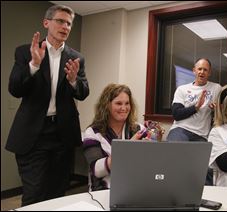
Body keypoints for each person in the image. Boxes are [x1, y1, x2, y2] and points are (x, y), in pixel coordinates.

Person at [5, 5, 89, 206]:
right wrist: (33, 66)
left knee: (58, 192)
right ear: (46, 23)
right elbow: (15, 89)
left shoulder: (76, 57)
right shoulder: (26, 52)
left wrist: (73, 81)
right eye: (60, 21)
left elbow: (84, 92)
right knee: (35, 194)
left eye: (69, 23)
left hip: (63, 134)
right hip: (34, 134)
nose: (65, 27)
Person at [166, 58, 221, 185]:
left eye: (205, 70)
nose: (202, 72)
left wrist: (215, 110)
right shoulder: (182, 89)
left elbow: (222, 112)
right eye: (199, 69)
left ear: (209, 73)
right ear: (194, 71)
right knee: (175, 159)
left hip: (201, 135)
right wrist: (195, 107)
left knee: (206, 168)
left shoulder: (215, 88)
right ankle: (171, 191)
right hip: (181, 130)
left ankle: (207, 198)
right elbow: (177, 114)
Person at [82, 83, 147, 191]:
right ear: (106, 105)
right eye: (118, 103)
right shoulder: (93, 133)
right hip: (103, 191)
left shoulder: (138, 129)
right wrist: (127, 148)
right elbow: (97, 170)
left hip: (134, 188)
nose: (124, 108)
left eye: (127, 103)